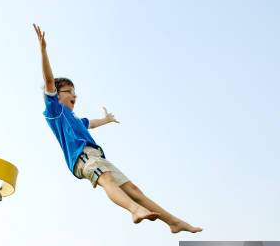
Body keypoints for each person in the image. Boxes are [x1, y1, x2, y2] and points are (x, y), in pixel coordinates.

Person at [33, 24, 202, 233]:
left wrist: (106, 119)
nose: (74, 95)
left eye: (75, 92)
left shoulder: (76, 119)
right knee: (107, 180)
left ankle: (174, 222)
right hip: (81, 158)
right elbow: (49, 80)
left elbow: (90, 124)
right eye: (69, 91)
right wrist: (43, 51)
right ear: (57, 94)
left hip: (97, 156)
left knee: (134, 190)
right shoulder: (55, 112)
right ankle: (134, 210)